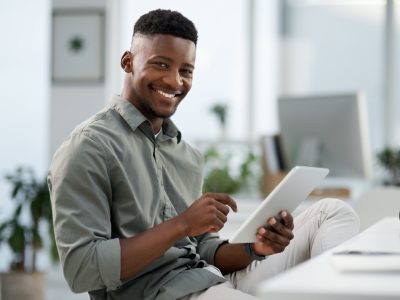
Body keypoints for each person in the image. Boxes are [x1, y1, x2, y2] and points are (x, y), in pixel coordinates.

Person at [48, 9, 360, 300]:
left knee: (332, 212)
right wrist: (182, 224)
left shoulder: (186, 155)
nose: (174, 81)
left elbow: (201, 248)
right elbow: (81, 270)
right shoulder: (88, 146)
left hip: (211, 281)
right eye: (161, 64)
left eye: (186, 70)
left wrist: (255, 248)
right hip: (161, 294)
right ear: (128, 62)